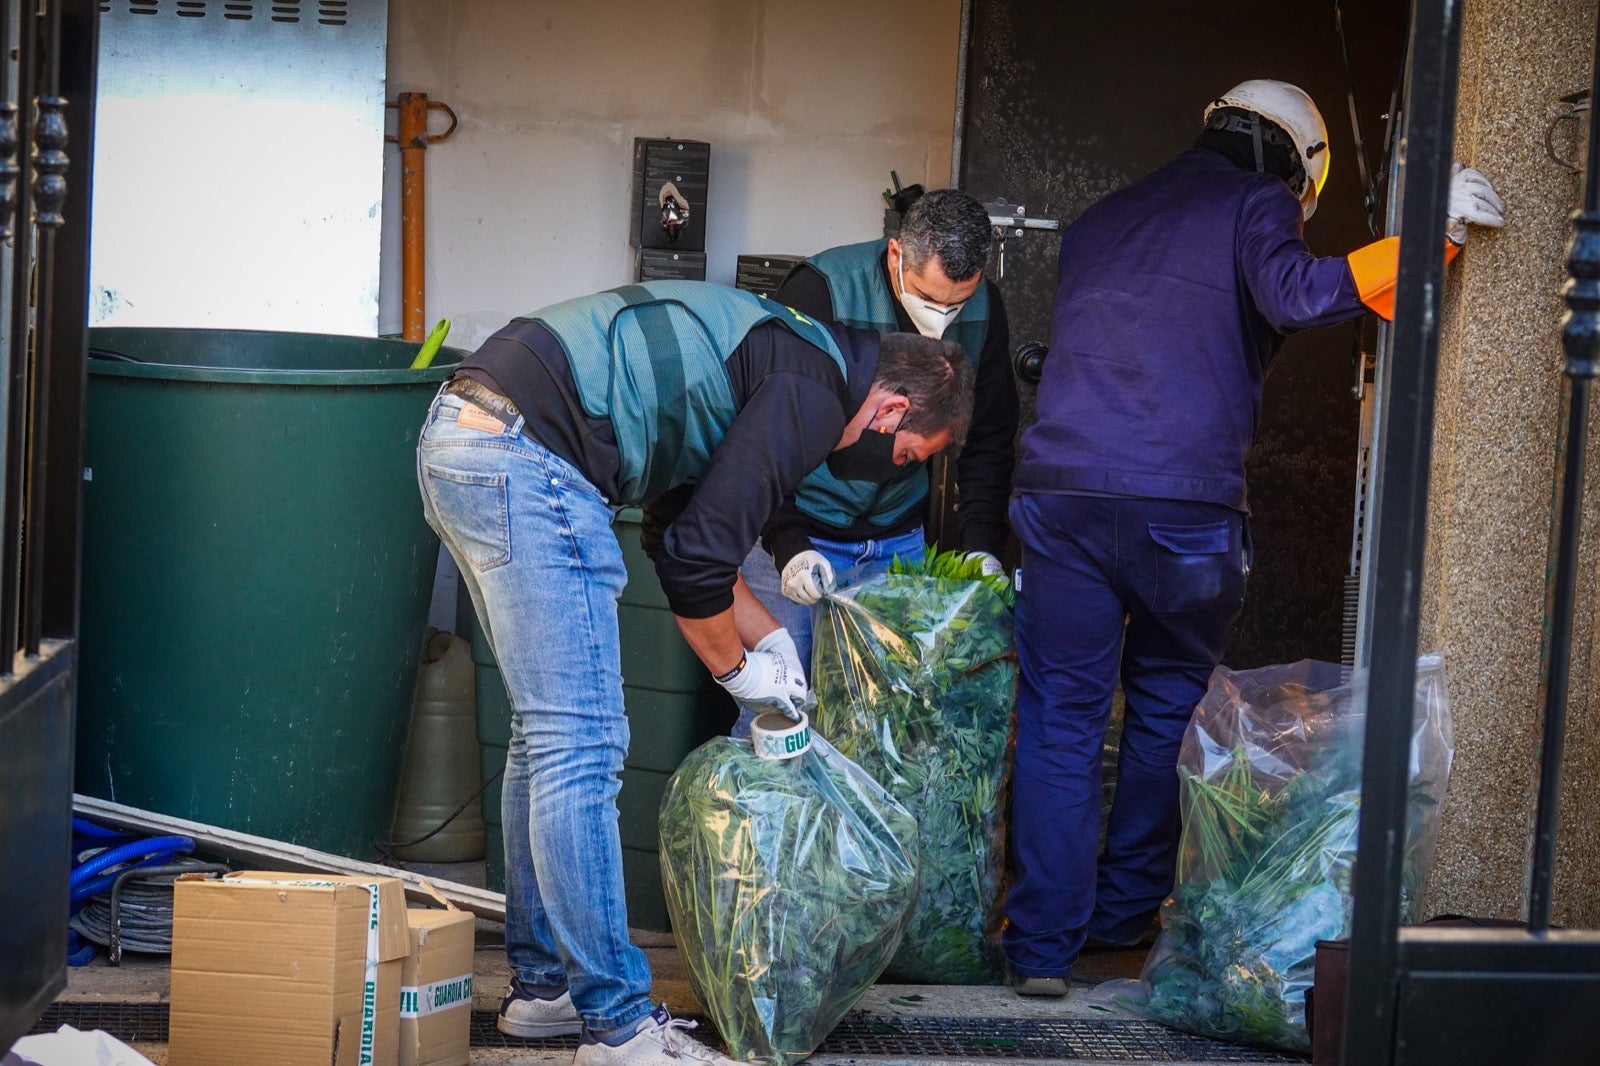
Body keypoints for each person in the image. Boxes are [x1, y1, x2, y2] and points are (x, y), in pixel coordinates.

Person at [1003, 79, 1505, 997]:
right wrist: (1424, 234)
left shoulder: (1100, 217)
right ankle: (1119, 925)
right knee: (1160, 714)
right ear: (1296, 164)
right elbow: (1301, 291)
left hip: (1063, 497)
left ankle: (1039, 951)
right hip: (1182, 512)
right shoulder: (1258, 201)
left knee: (1062, 720)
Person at [416, 279, 973, 1063]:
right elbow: (698, 562)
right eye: (911, 455)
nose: (896, 466)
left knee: (544, 737)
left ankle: (549, 990)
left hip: (468, 436)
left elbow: (680, 526)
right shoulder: (811, 391)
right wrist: (741, 676)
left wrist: (768, 638)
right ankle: (617, 1026)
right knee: (580, 745)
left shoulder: (790, 356)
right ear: (889, 414)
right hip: (525, 453)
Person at [741, 188, 1017, 667]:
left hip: (897, 541)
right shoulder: (822, 289)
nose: (942, 319)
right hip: (798, 533)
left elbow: (990, 435)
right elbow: (764, 431)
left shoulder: (986, 308)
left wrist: (980, 546)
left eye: (959, 303)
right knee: (780, 704)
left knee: (878, 719)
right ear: (896, 254)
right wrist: (785, 540)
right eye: (930, 299)